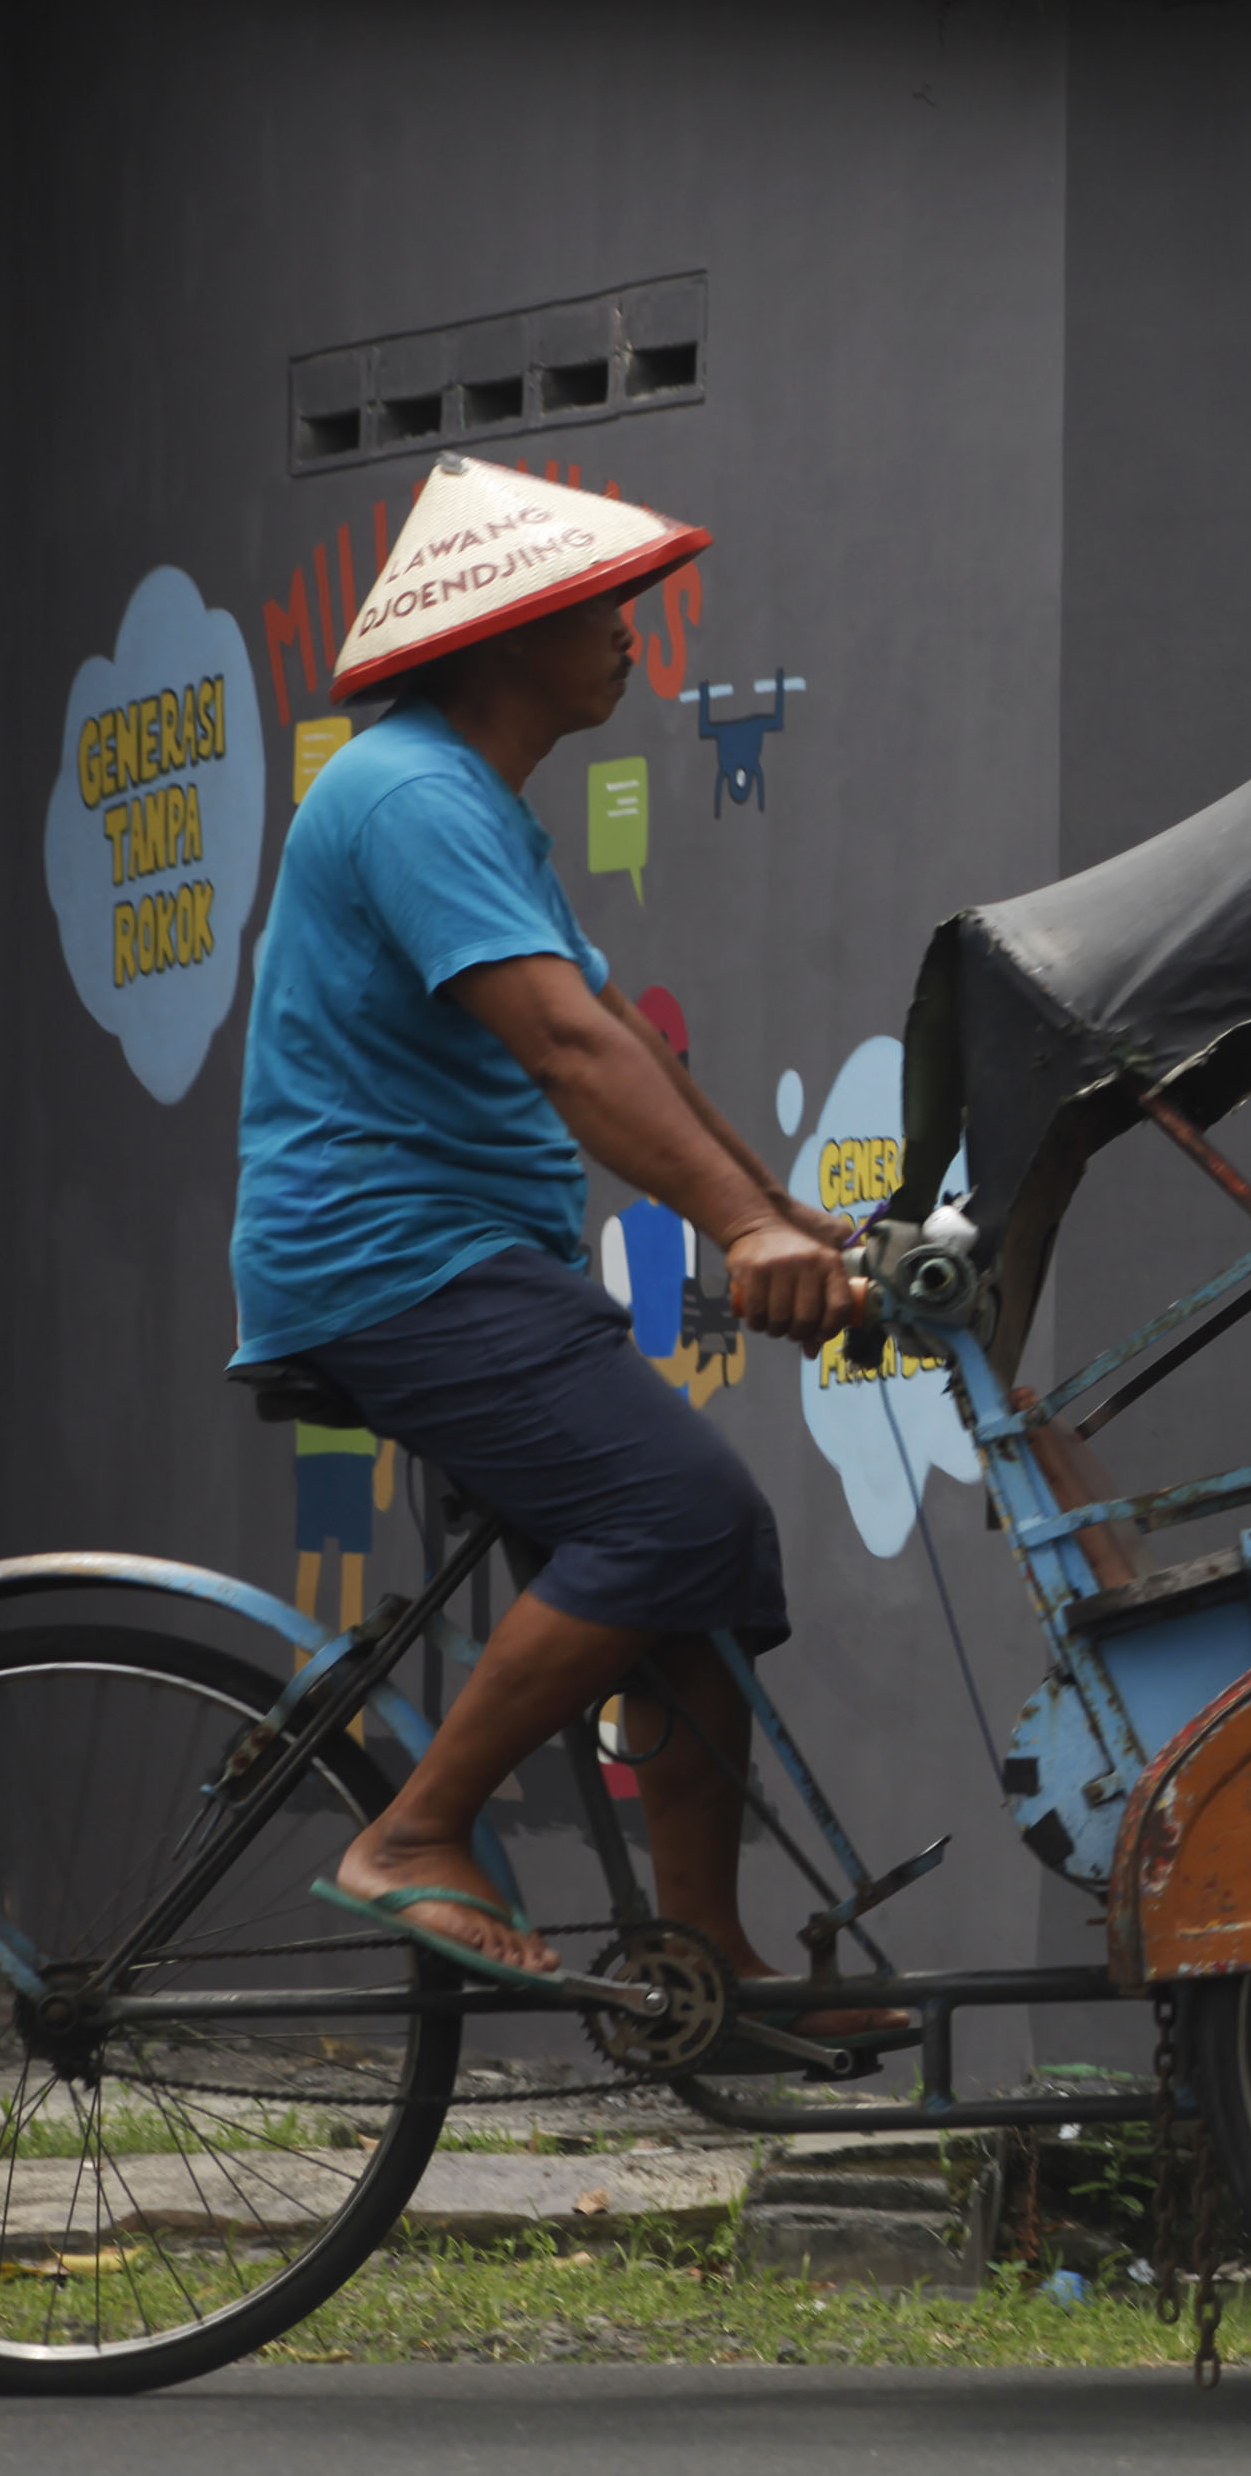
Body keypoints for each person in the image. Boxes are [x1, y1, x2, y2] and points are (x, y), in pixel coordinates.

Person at [232, 454, 889, 2038]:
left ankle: (705, 1954)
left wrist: (795, 1229)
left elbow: (633, 1053)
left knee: (699, 1569)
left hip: (469, 1255)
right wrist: (736, 1222)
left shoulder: (474, 808)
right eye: (603, 610)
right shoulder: (405, 793)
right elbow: (568, 1053)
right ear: (509, 631)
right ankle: (414, 1831)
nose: (629, 638)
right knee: (678, 1507)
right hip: (393, 1258)